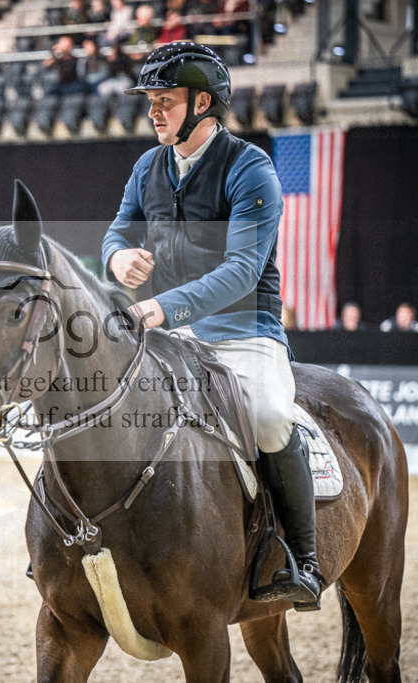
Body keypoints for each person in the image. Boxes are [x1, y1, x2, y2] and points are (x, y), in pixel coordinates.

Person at [101, 42, 323, 610]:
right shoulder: (147, 166)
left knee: (271, 419)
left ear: (203, 102)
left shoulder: (251, 169)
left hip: (244, 330)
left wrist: (161, 307)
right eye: (150, 100)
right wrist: (116, 260)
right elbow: (118, 231)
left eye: (165, 101)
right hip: (174, 333)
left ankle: (302, 558)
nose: (153, 111)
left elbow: (243, 271)